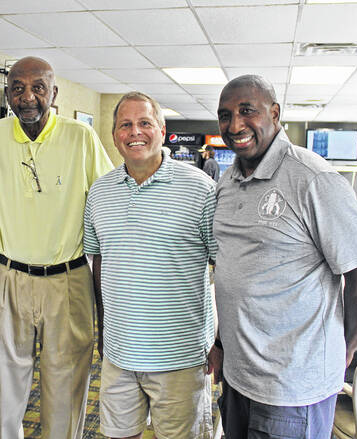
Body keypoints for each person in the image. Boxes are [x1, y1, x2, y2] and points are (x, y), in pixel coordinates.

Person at [209, 75, 357, 438]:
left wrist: (346, 349)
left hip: (292, 393)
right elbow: (236, 274)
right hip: (238, 380)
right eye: (225, 116)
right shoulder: (228, 181)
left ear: (274, 114)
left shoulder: (313, 179)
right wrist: (220, 342)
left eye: (247, 111)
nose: (235, 125)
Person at [0, 56, 113, 439]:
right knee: (2, 381)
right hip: (8, 277)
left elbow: (108, 199)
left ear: (54, 92)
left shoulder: (80, 137)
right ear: (7, 93)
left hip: (68, 278)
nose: (27, 97)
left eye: (38, 88)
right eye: (17, 88)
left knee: (66, 384)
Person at [84, 92, 217, 439]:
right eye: (125, 125)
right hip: (119, 353)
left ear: (162, 129)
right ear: (114, 135)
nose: (135, 132)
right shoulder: (99, 193)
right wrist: (102, 328)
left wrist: (222, 342)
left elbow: (224, 268)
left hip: (181, 358)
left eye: (144, 123)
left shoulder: (202, 190)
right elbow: (99, 262)